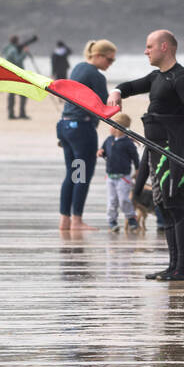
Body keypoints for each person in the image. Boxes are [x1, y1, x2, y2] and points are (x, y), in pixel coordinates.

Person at [109, 30, 184, 282]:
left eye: (149, 46)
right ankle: (173, 266)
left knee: (178, 206)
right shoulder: (156, 77)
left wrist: (175, 136)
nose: (145, 51)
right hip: (155, 151)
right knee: (165, 206)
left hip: (173, 152)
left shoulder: (181, 77)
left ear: (164, 47)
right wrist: (117, 92)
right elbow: (131, 86)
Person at [59, 39, 117, 231]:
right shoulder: (96, 75)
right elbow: (103, 106)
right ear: (98, 56)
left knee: (72, 174)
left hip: (65, 126)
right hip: (81, 131)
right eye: (109, 60)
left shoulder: (78, 68)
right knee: (81, 174)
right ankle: (76, 221)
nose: (110, 64)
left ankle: (65, 220)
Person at [99, 112, 140, 232]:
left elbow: (135, 157)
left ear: (118, 128)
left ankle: (131, 217)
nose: (109, 128)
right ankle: (112, 220)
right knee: (112, 200)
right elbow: (104, 151)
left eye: (111, 125)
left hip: (123, 177)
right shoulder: (109, 140)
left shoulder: (128, 142)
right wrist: (101, 152)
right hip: (110, 176)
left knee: (124, 199)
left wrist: (137, 169)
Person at [2, 34, 38, 119]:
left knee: (11, 94)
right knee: (23, 94)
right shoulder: (13, 50)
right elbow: (18, 60)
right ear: (17, 41)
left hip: (10, 73)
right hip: (17, 74)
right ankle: (21, 113)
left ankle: (11, 114)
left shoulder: (7, 48)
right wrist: (24, 52)